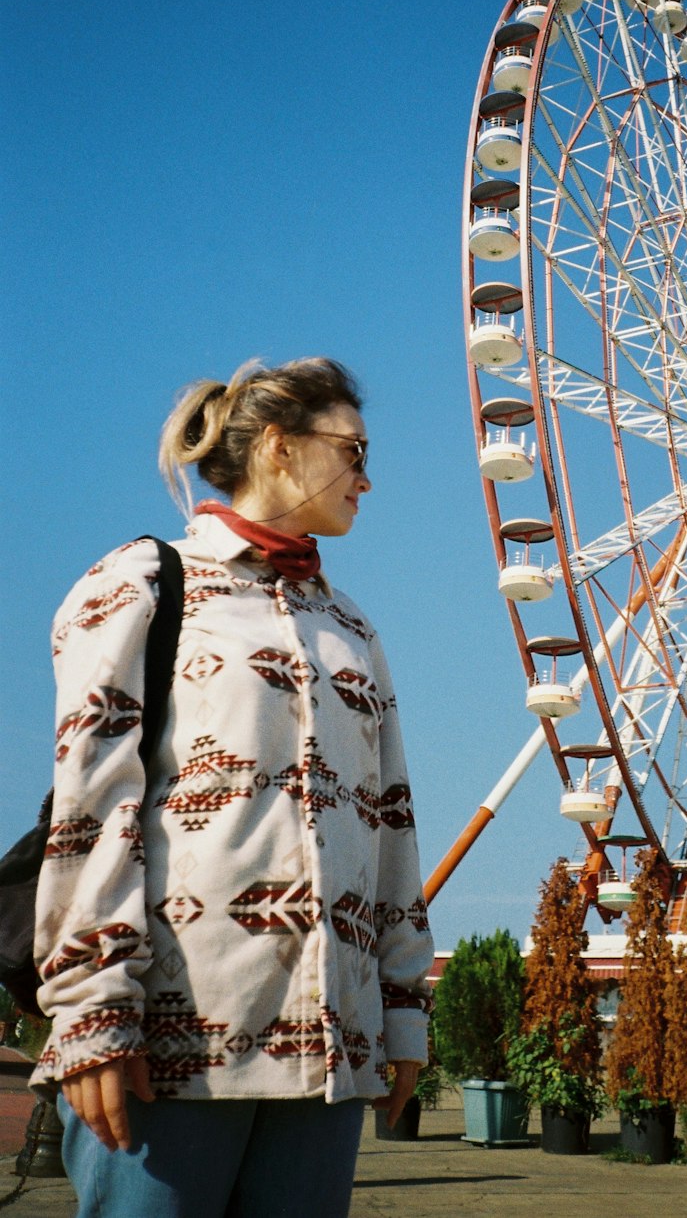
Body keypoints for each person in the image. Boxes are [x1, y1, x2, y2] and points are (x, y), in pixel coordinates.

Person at [31, 357, 433, 1217]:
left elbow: (391, 826)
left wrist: (401, 1016)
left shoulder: (351, 627)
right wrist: (94, 1013)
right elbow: (92, 812)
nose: (368, 477)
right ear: (280, 449)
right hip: (168, 1045)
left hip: (330, 1061)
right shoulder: (140, 583)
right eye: (353, 450)